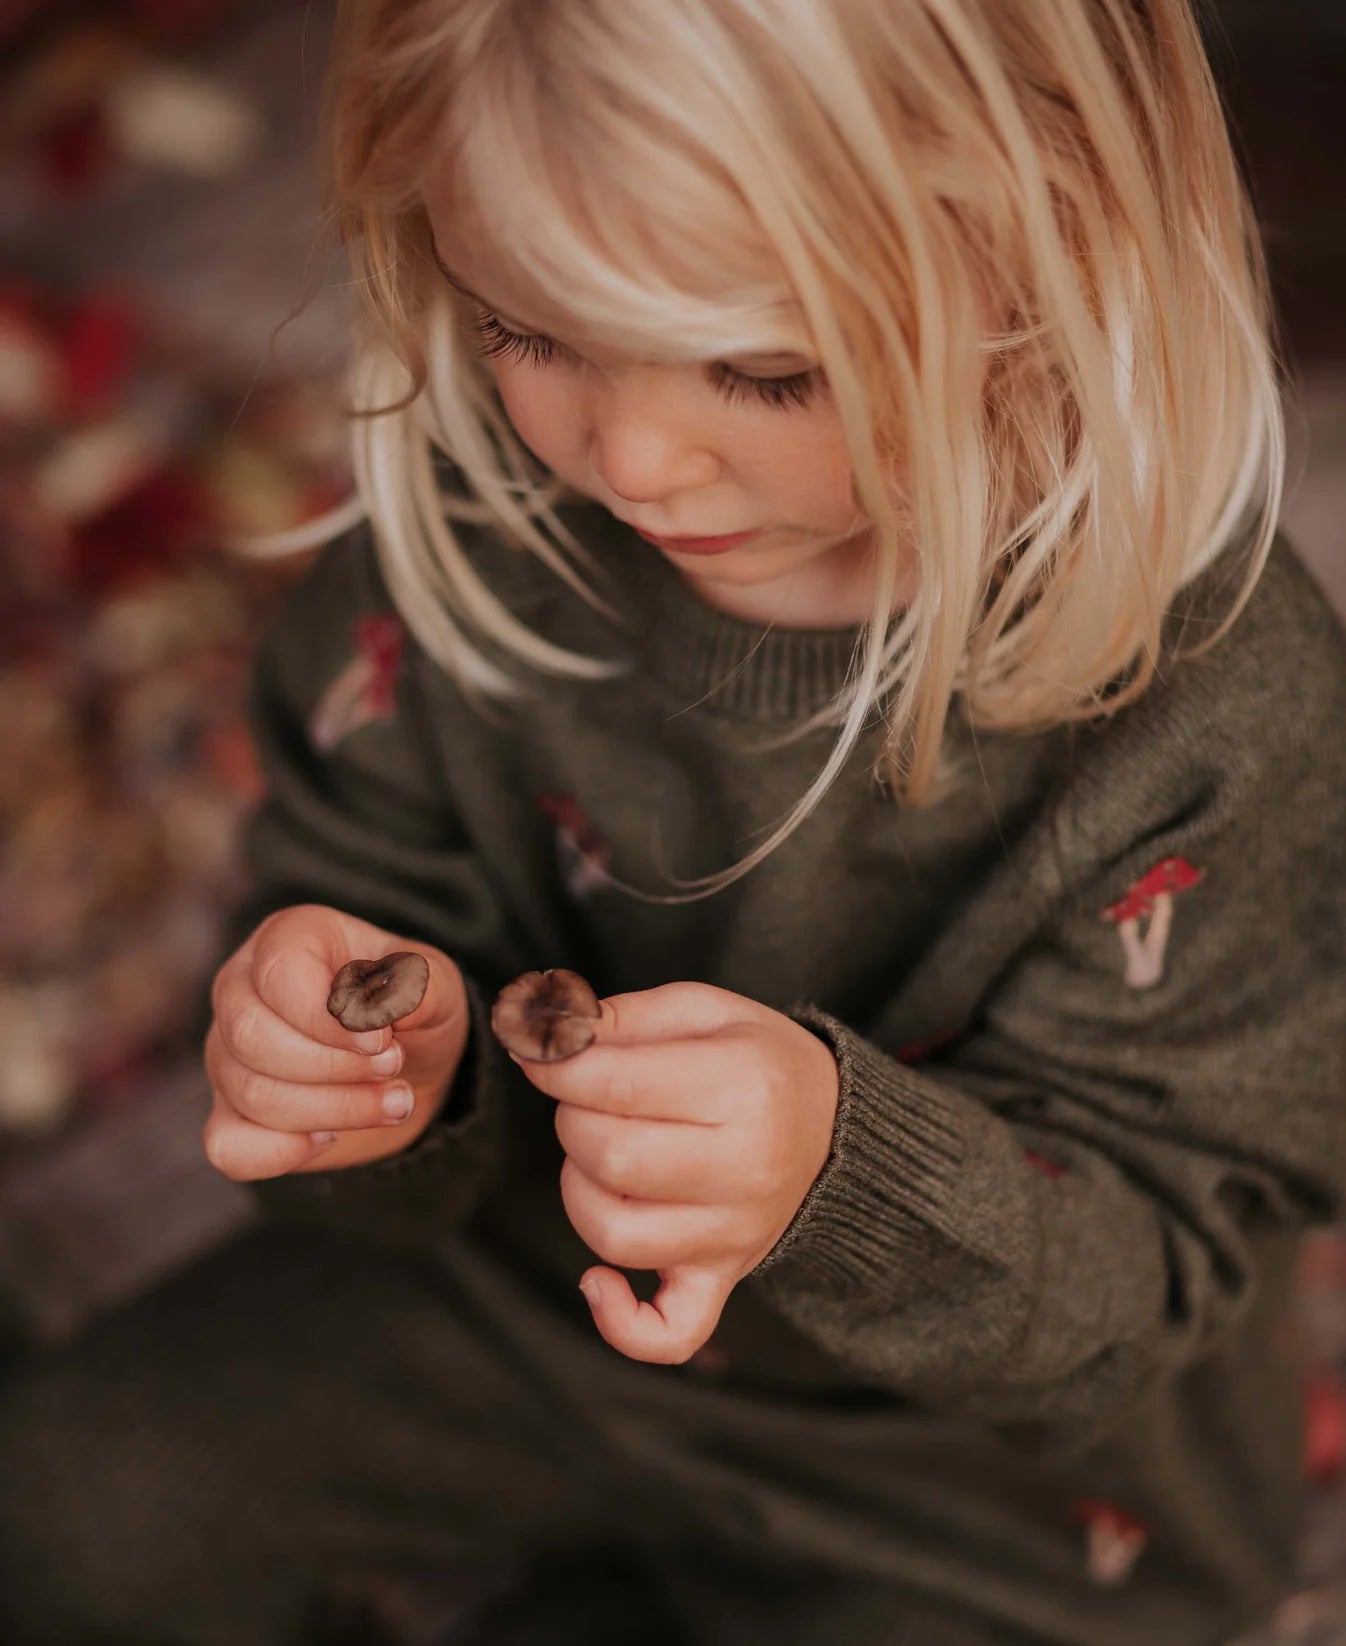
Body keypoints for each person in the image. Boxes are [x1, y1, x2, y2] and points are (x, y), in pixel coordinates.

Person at [1, 0, 1343, 1642]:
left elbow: (1146, 1278)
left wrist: (836, 1172)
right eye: (530, 328)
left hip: (990, 1477)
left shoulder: (1216, 703)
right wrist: (357, 1067)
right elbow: (354, 932)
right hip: (506, 1310)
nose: (629, 455)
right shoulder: (474, 537)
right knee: (66, 1502)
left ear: (1054, 263)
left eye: (762, 370)